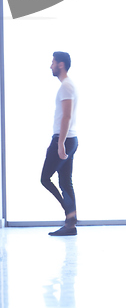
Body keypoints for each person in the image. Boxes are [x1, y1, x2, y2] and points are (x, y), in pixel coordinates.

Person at [41, 51, 79, 236]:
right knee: (64, 180)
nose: (51, 66)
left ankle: (70, 214)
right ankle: (70, 225)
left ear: (61, 64)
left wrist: (60, 143)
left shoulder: (66, 87)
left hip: (63, 138)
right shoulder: (68, 86)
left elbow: (66, 116)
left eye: (53, 62)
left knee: (44, 178)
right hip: (69, 138)